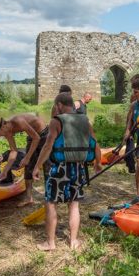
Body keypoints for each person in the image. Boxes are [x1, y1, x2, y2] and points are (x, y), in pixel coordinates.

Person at [32, 92, 102, 251]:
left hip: (59, 168)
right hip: (78, 167)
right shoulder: (85, 120)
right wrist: (98, 162)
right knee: (74, 204)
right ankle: (74, 241)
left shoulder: (56, 121)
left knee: (51, 203)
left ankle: (50, 243)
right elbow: (95, 144)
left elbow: (48, 146)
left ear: (59, 105)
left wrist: (36, 166)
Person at [0, 114, 49, 207]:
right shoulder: (7, 132)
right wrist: (5, 171)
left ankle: (50, 197)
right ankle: (29, 198)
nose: (0, 136)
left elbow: (37, 138)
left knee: (46, 165)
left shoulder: (18, 121)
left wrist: (27, 157)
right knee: (28, 167)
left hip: (43, 134)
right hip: (32, 136)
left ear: (4, 126)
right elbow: (13, 151)